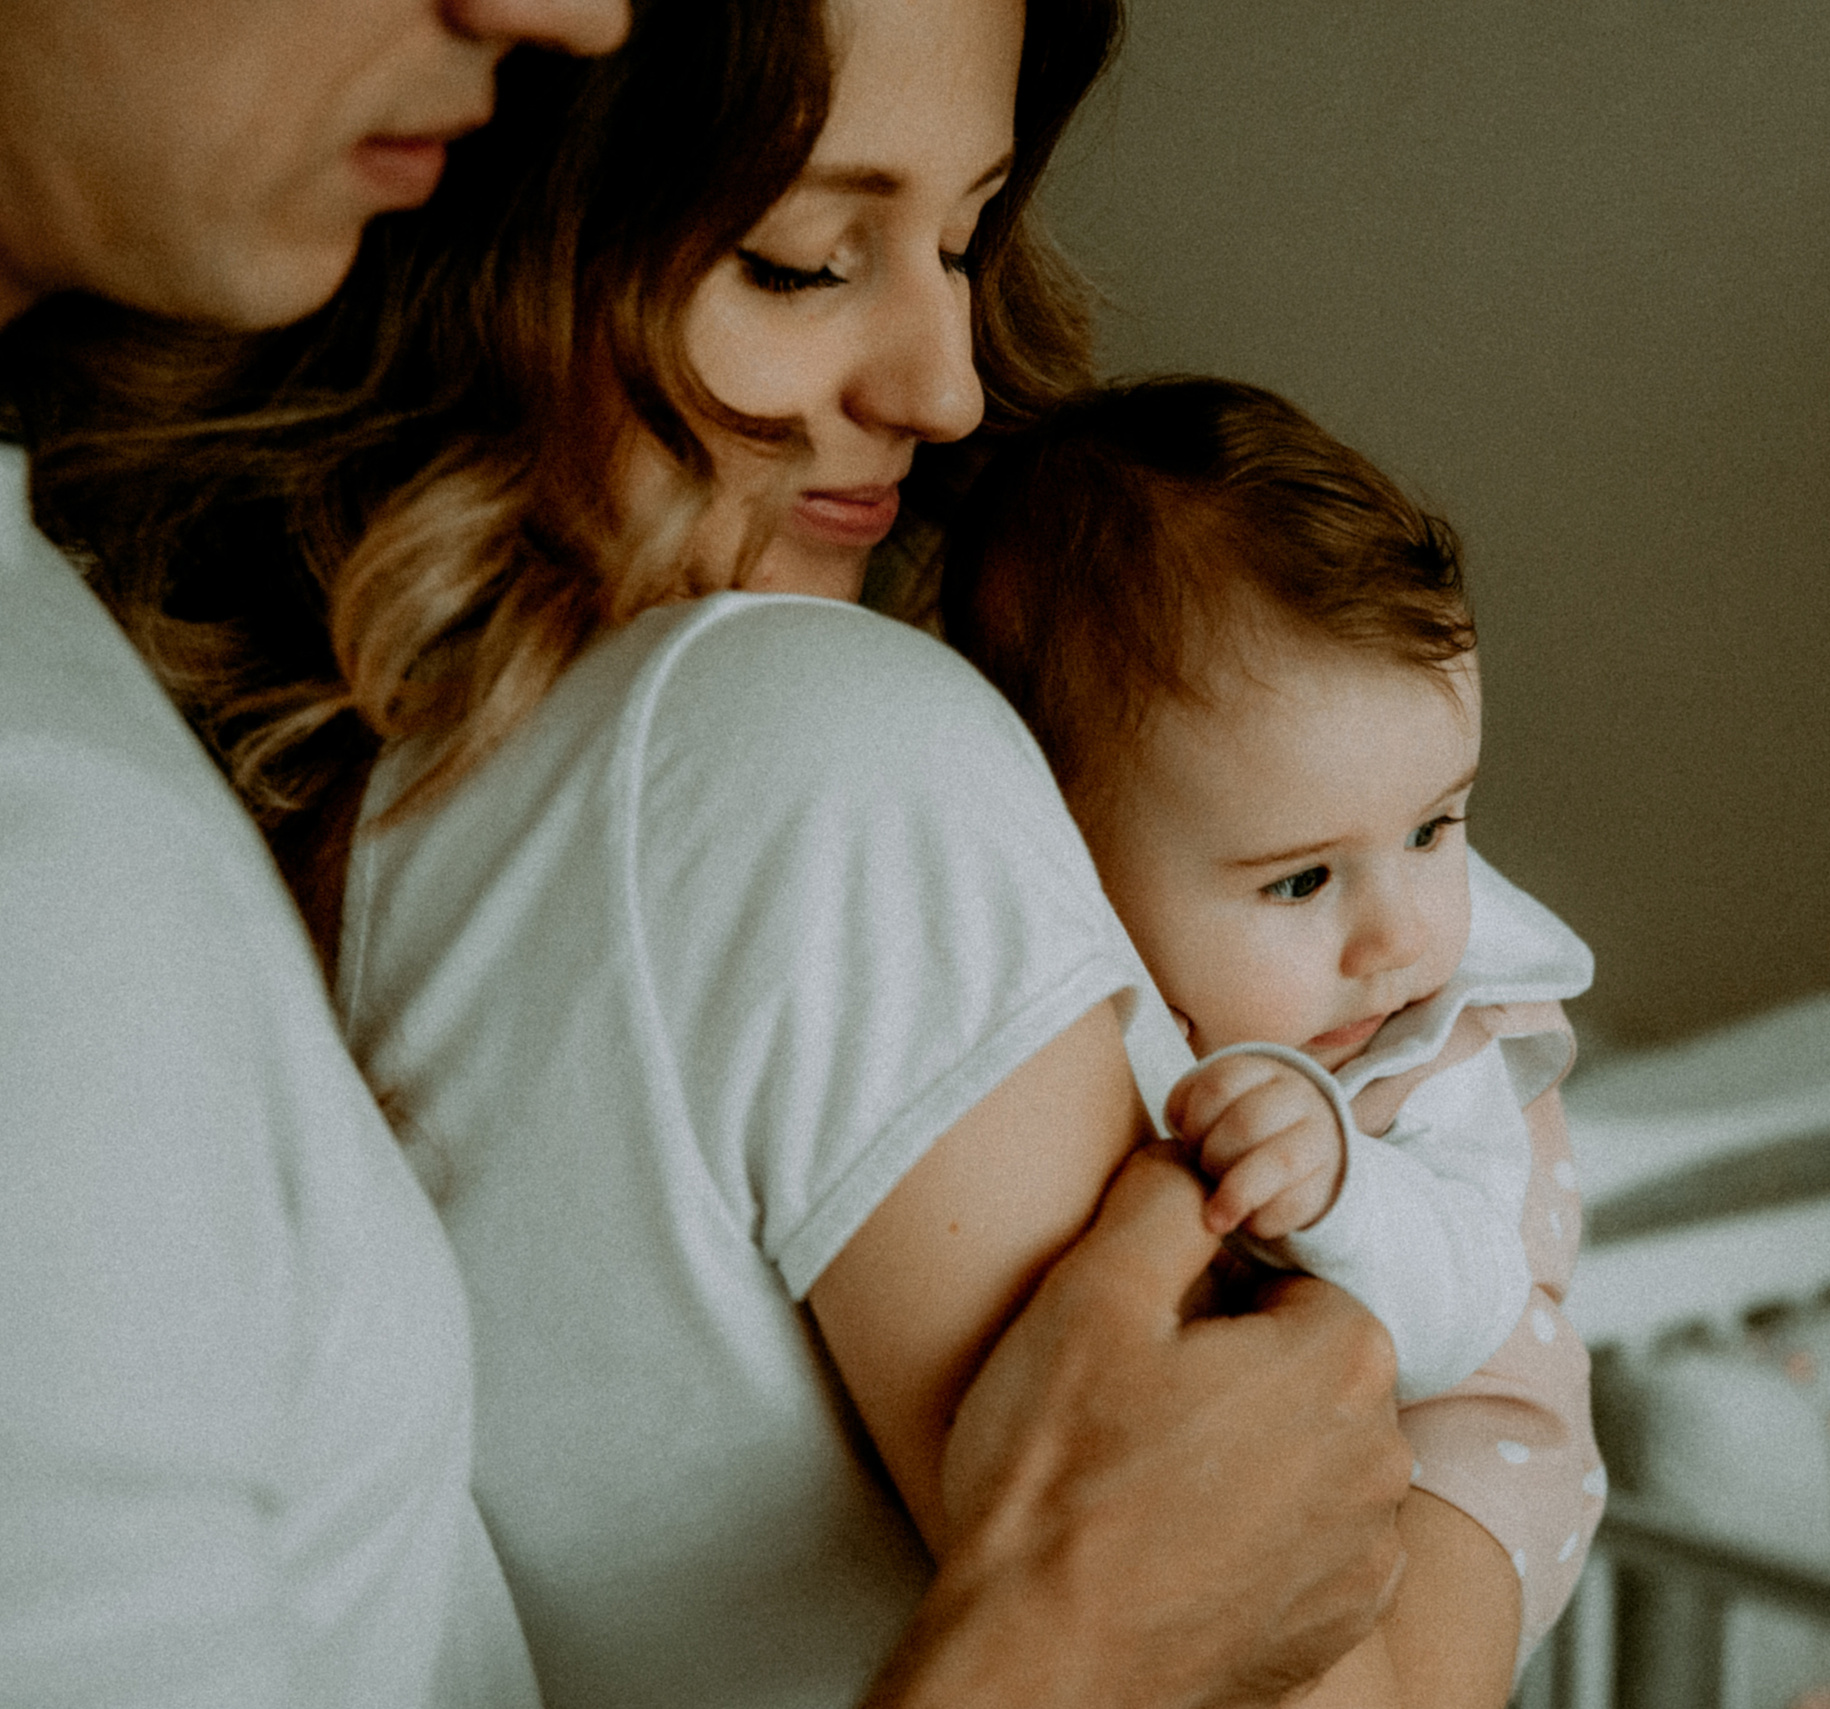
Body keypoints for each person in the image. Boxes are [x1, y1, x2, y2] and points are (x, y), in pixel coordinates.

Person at [0, 1, 1411, 1706]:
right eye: (803, 258)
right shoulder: (820, 758)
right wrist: (1517, 1429)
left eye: (965, 240)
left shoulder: (226, 756)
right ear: (498, 205)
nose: (951, 386)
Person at [942, 376, 1609, 1683]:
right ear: (1068, 858)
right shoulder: (1063, 989)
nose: (1401, 932)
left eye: (1438, 827)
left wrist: (1345, 1178)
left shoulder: (1434, 1033)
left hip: (1473, 1440)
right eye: (1302, 881)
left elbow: (1470, 1292)